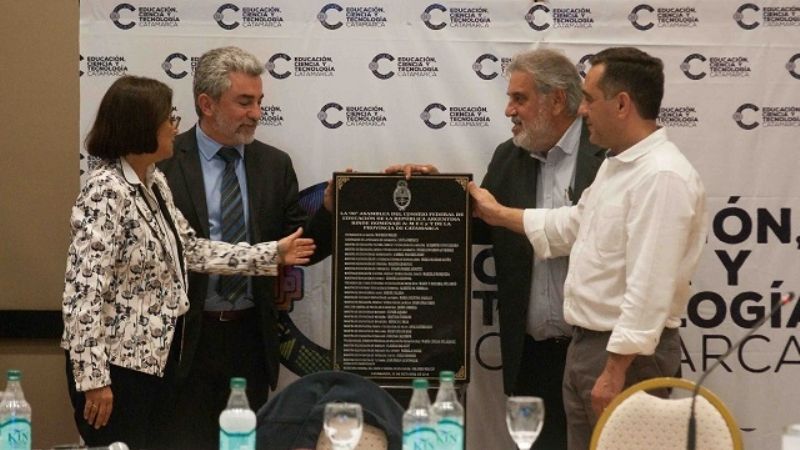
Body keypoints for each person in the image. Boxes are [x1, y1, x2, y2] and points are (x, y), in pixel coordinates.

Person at [469, 47, 708, 449]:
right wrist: (495, 213)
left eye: (590, 100)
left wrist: (615, 369)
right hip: (590, 350)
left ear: (621, 104)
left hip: (622, 357)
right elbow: (571, 225)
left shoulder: (662, 176)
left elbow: (649, 286)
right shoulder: (620, 166)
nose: (582, 111)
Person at [61, 75, 314, 449]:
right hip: (116, 371)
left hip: (156, 365)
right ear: (141, 127)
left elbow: (192, 249)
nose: (175, 126)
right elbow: (83, 293)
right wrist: (94, 380)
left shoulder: (153, 182)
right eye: (168, 118)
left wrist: (271, 254)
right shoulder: (105, 190)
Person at [387, 48, 603, 450]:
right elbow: (482, 224)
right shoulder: (509, 156)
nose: (508, 110)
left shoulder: (607, 155)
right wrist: (434, 195)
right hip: (533, 358)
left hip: (597, 354)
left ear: (557, 99)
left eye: (519, 98)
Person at [157, 46, 334, 450]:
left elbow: (298, 248)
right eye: (244, 102)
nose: (256, 113)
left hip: (249, 342)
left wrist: (325, 211)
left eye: (259, 102)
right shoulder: (165, 163)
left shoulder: (273, 165)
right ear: (206, 103)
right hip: (184, 341)